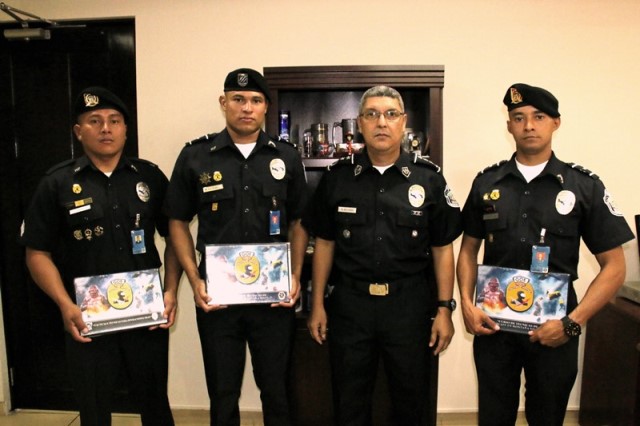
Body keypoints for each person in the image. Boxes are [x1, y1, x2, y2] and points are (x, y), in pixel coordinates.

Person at [456, 83, 635, 426]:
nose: (528, 125)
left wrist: (572, 324)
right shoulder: (487, 183)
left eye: (538, 117)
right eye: (518, 117)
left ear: (556, 122)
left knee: (547, 417)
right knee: (493, 417)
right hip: (495, 327)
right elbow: (468, 250)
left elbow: (615, 266)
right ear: (508, 125)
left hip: (556, 326)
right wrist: (466, 303)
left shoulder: (583, 186)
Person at [20, 86, 182, 425]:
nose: (106, 128)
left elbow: (175, 238)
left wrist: (170, 292)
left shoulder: (149, 176)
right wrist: (65, 304)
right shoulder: (57, 183)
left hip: (146, 315)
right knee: (94, 410)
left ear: (125, 129)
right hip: (87, 317)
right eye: (95, 121)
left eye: (114, 120)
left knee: (155, 406)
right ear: (79, 131)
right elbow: (37, 252)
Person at [304, 85, 462, 426]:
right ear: (360, 123)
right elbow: (325, 244)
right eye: (372, 114)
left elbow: (442, 248)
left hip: (408, 306)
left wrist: (445, 309)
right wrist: (317, 304)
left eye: (391, 114)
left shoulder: (429, 179)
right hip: (350, 305)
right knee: (349, 399)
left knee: (411, 400)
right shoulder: (337, 178)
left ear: (403, 122)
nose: (381, 122)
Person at [164, 68, 308, 426]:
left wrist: (294, 275)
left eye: (256, 100)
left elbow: (299, 222)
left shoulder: (287, 156)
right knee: (223, 392)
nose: (247, 107)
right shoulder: (196, 156)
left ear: (266, 107)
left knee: (276, 389)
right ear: (223, 102)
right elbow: (176, 222)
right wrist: (194, 280)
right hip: (218, 298)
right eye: (238, 99)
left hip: (272, 299)